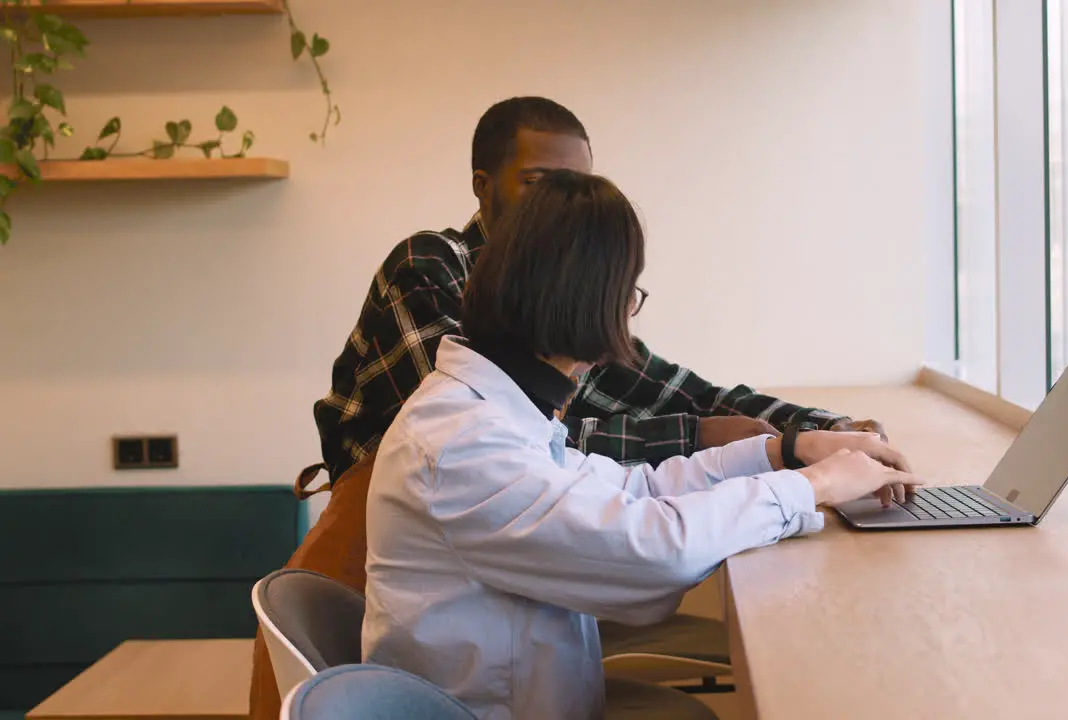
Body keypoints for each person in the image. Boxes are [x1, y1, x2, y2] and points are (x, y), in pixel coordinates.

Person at [363, 170, 921, 719]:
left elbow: (636, 489)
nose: (629, 311)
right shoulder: (464, 444)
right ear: (589, 295)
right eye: (630, 291)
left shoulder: (490, 409)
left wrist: (785, 453)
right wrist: (813, 486)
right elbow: (651, 550)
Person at [313, 95, 883, 484]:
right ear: (483, 188)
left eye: (578, 186)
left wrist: (823, 428)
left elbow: (674, 389)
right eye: (540, 183)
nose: (560, 204)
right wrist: (709, 441)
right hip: (404, 557)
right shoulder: (430, 264)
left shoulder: (558, 290)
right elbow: (488, 443)